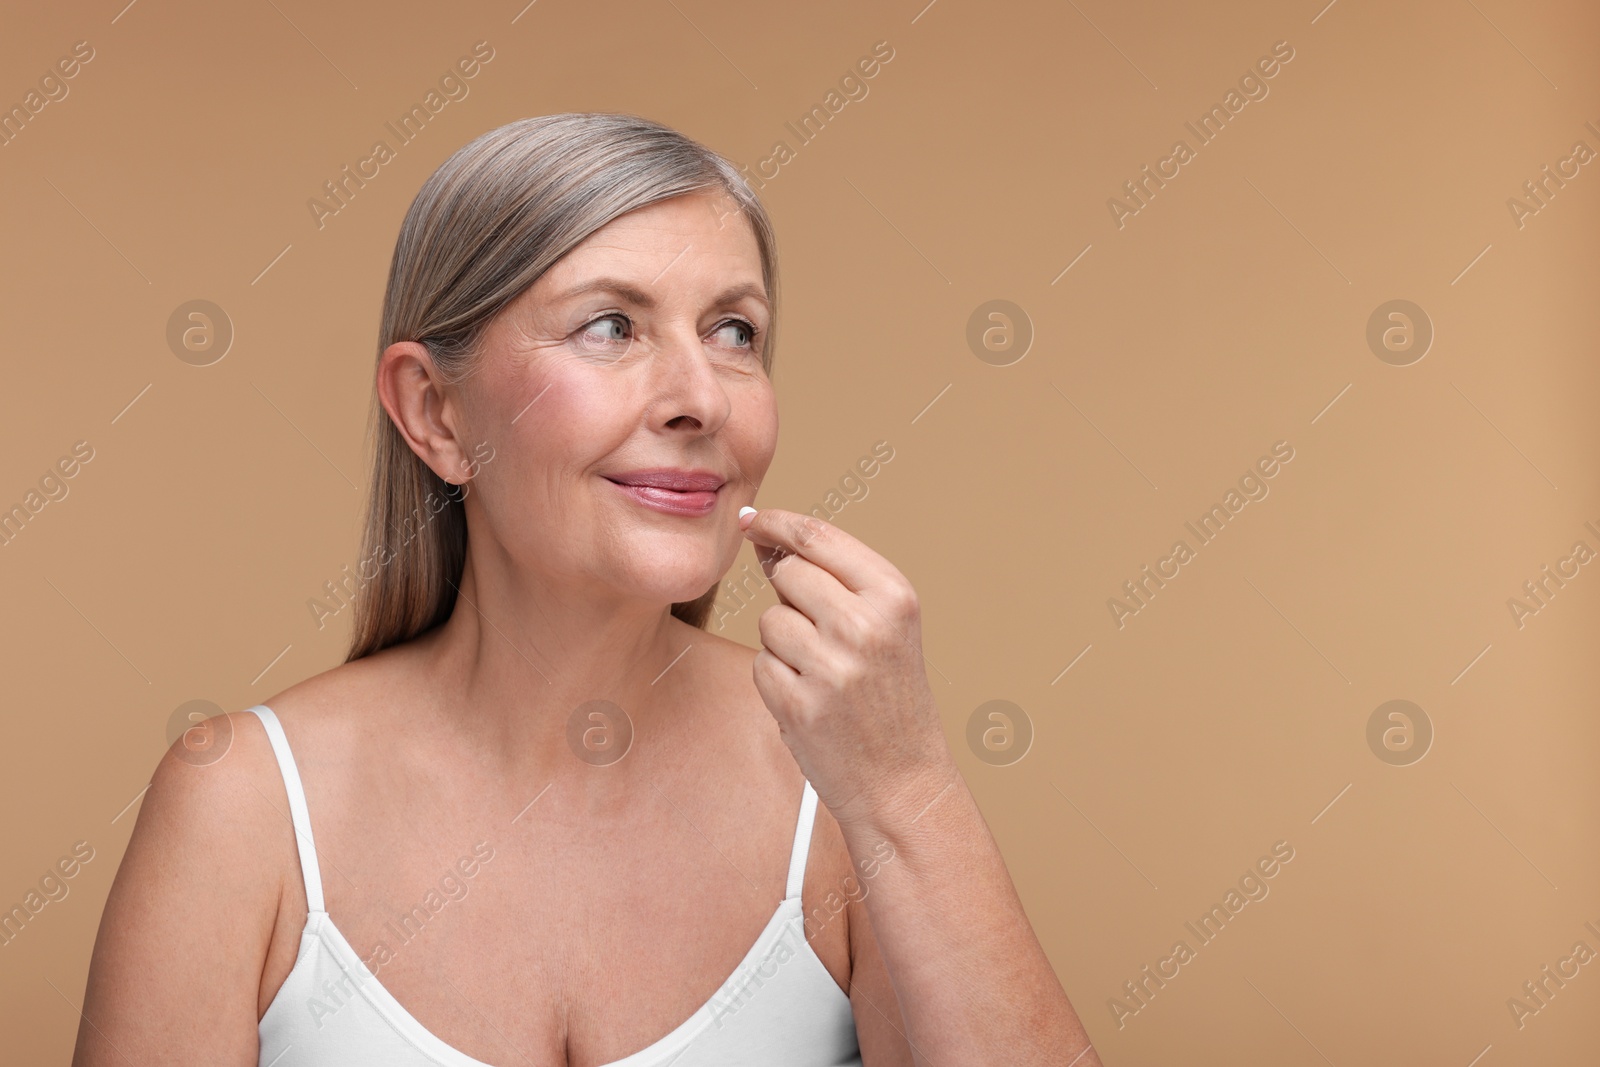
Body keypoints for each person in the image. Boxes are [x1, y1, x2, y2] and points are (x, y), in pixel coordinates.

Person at [73, 112, 1100, 1066]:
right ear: (434, 413)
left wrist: (908, 784)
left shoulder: (840, 785)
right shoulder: (240, 808)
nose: (700, 397)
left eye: (735, 331)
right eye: (611, 325)